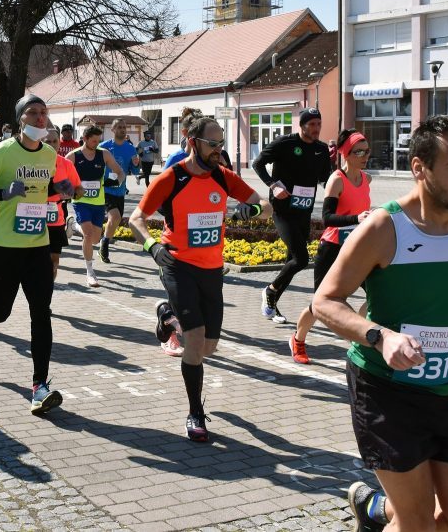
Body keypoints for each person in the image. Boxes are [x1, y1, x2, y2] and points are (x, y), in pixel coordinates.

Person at [312, 115, 448, 532]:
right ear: (419, 168)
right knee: (417, 522)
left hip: (447, 394)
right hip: (386, 393)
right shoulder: (385, 227)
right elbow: (325, 302)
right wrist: (381, 336)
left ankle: (375, 511)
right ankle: (389, 512)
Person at [128, 116, 262, 441]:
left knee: (208, 348)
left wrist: (251, 211)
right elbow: (136, 219)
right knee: (196, 338)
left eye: (221, 144)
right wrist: (153, 246)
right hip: (177, 263)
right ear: (193, 143)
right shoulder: (172, 178)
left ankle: (166, 316)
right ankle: (195, 413)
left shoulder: (224, 177)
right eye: (212, 144)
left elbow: (263, 203)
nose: (218, 150)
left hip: (211, 269)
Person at [0, 94, 73, 416]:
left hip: (37, 246)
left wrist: (61, 191)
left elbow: (44, 189)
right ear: (19, 120)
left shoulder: (50, 153)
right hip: (4, 246)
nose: (41, 118)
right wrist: (2, 193)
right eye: (33, 113)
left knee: (42, 313)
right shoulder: (2, 152)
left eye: (44, 113)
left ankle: (40, 386)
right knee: (3, 312)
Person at [290, 129, 372, 364]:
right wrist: (356, 219)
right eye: (359, 152)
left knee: (377, 295)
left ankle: (357, 335)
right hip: (333, 248)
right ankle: (298, 339)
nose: (364, 156)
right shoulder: (337, 179)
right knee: (320, 303)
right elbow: (327, 218)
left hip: (357, 248)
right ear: (346, 154)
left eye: (367, 151)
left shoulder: (367, 179)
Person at [253, 108, 333, 323]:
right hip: (283, 209)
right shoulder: (285, 143)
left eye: (319, 124)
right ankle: (270, 291)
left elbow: (326, 179)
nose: (316, 129)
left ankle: (272, 303)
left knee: (292, 260)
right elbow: (258, 163)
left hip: (304, 211)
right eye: (312, 124)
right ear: (302, 125)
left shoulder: (321, 149)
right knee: (301, 259)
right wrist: (273, 185)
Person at [67, 125, 123, 287]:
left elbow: (120, 172)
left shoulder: (103, 154)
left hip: (98, 202)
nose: (96, 144)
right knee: (88, 234)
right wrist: (69, 189)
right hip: (80, 201)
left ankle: (72, 224)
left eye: (99, 141)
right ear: (84, 139)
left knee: (95, 239)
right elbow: (60, 174)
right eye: (93, 141)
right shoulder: (73, 156)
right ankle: (90, 272)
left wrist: (116, 181)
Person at [44, 128, 83, 278]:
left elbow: (80, 190)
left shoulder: (65, 164)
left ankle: (47, 289)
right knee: (37, 260)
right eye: (48, 141)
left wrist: (72, 194)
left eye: (55, 141)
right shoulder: (31, 162)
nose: (52, 144)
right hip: (33, 217)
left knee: (54, 260)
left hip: (56, 218)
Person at [98, 119, 138, 264]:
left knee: (116, 219)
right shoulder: (104, 147)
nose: (122, 129)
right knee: (114, 217)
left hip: (120, 190)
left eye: (124, 127)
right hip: (105, 188)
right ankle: (105, 245)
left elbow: (134, 171)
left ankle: (104, 239)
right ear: (113, 130)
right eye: (119, 127)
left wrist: (136, 164)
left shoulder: (130, 148)